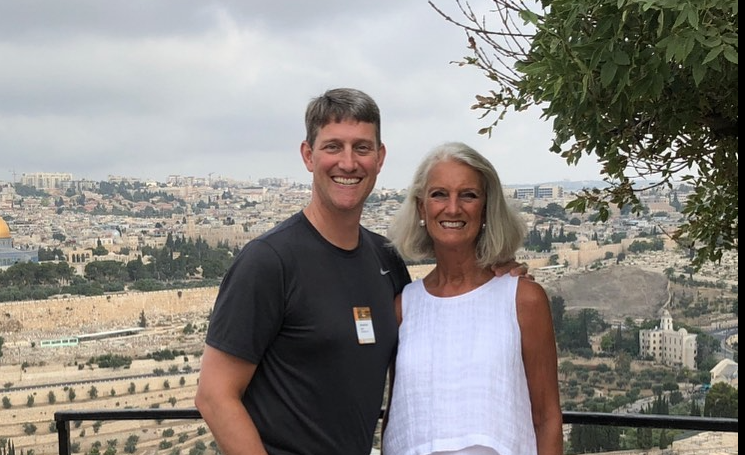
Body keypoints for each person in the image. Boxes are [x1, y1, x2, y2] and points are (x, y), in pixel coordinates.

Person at [194, 88, 526, 455]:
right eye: (333, 146)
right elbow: (214, 395)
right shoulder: (269, 261)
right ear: (308, 155)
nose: (348, 163)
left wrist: (495, 272)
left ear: (380, 158)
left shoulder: (385, 261)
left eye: (362, 148)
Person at [382, 142, 563, 455]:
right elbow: (398, 422)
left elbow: (546, 418)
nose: (453, 208)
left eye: (468, 194)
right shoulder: (404, 308)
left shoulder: (522, 300)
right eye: (439, 194)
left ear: (486, 208)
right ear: (422, 208)